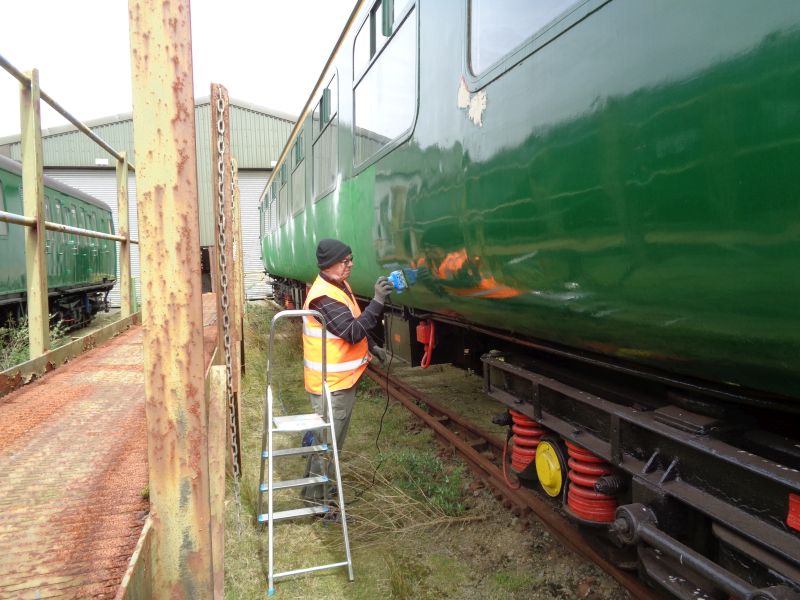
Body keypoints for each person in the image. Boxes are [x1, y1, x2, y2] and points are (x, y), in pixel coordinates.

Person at [301, 238, 392, 507]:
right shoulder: (324, 297)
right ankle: (318, 503)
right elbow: (352, 333)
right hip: (331, 386)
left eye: (351, 259)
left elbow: (353, 323)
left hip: (340, 383)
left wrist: (374, 347)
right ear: (330, 264)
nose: (351, 264)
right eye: (346, 260)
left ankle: (317, 495)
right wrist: (378, 300)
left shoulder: (339, 286)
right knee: (327, 446)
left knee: (328, 444)